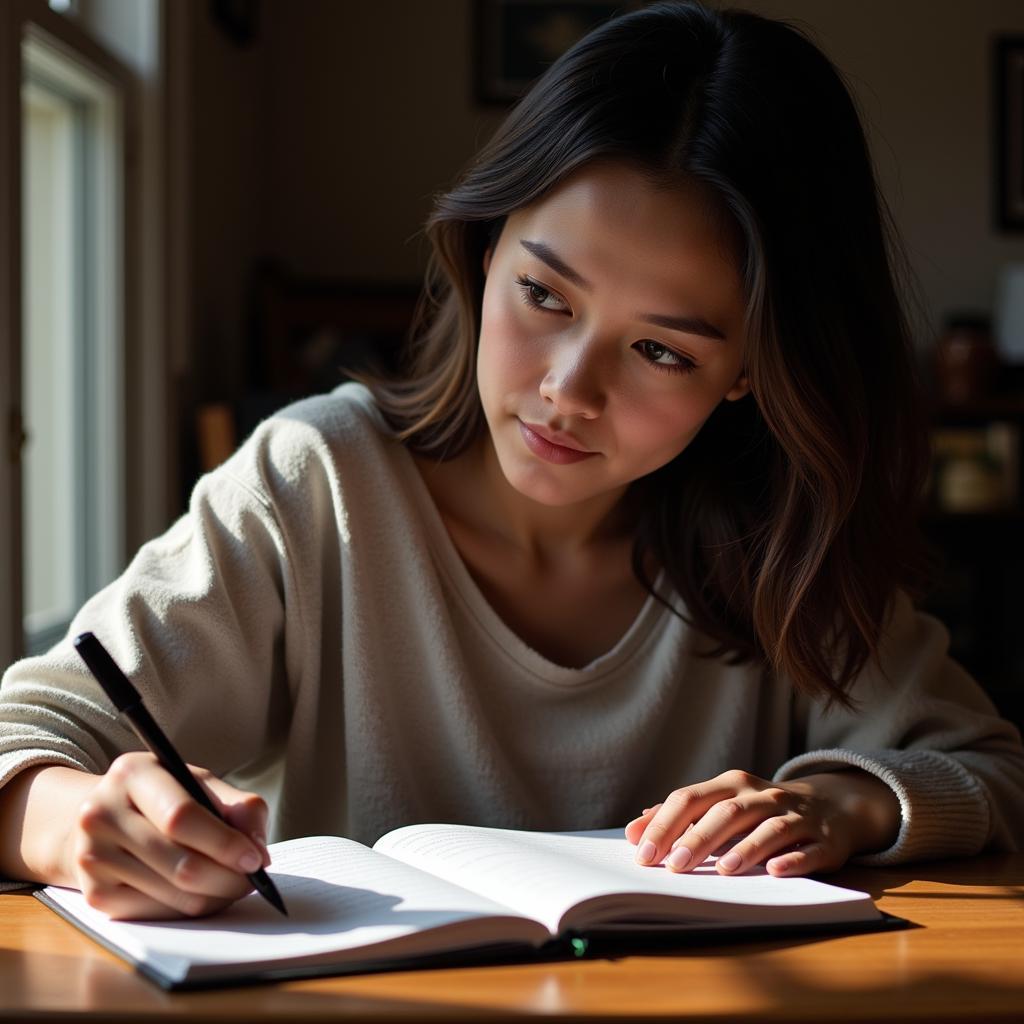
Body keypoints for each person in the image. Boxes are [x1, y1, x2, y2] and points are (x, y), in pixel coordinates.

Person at [1, 0, 1022, 922]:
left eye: (662, 350)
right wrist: (77, 820)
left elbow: (986, 766)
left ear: (751, 370)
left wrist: (831, 804)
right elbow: (24, 735)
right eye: (545, 295)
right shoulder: (316, 486)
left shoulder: (776, 536)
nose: (567, 392)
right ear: (487, 250)